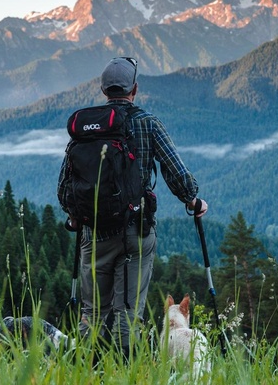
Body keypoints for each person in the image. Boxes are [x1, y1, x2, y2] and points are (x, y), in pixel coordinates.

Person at [57, 56, 207, 357]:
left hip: (94, 233)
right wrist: (193, 200)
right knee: (128, 310)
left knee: (93, 309)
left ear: (103, 90)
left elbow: (65, 183)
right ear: (134, 89)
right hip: (135, 232)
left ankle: (87, 369)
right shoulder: (147, 123)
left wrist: (75, 217)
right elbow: (175, 171)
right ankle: (125, 370)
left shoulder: (87, 128)